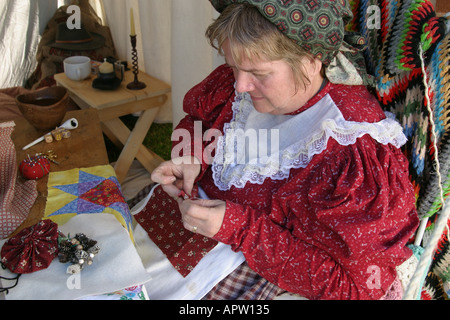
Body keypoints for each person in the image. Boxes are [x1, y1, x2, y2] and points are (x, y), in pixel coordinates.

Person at [150, 0, 419, 300]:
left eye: (258, 74)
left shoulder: (350, 151)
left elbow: (357, 288)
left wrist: (240, 228)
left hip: (257, 273)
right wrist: (192, 155)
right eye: (232, 67)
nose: (239, 85)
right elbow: (200, 119)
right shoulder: (246, 77)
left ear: (311, 61)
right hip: (186, 234)